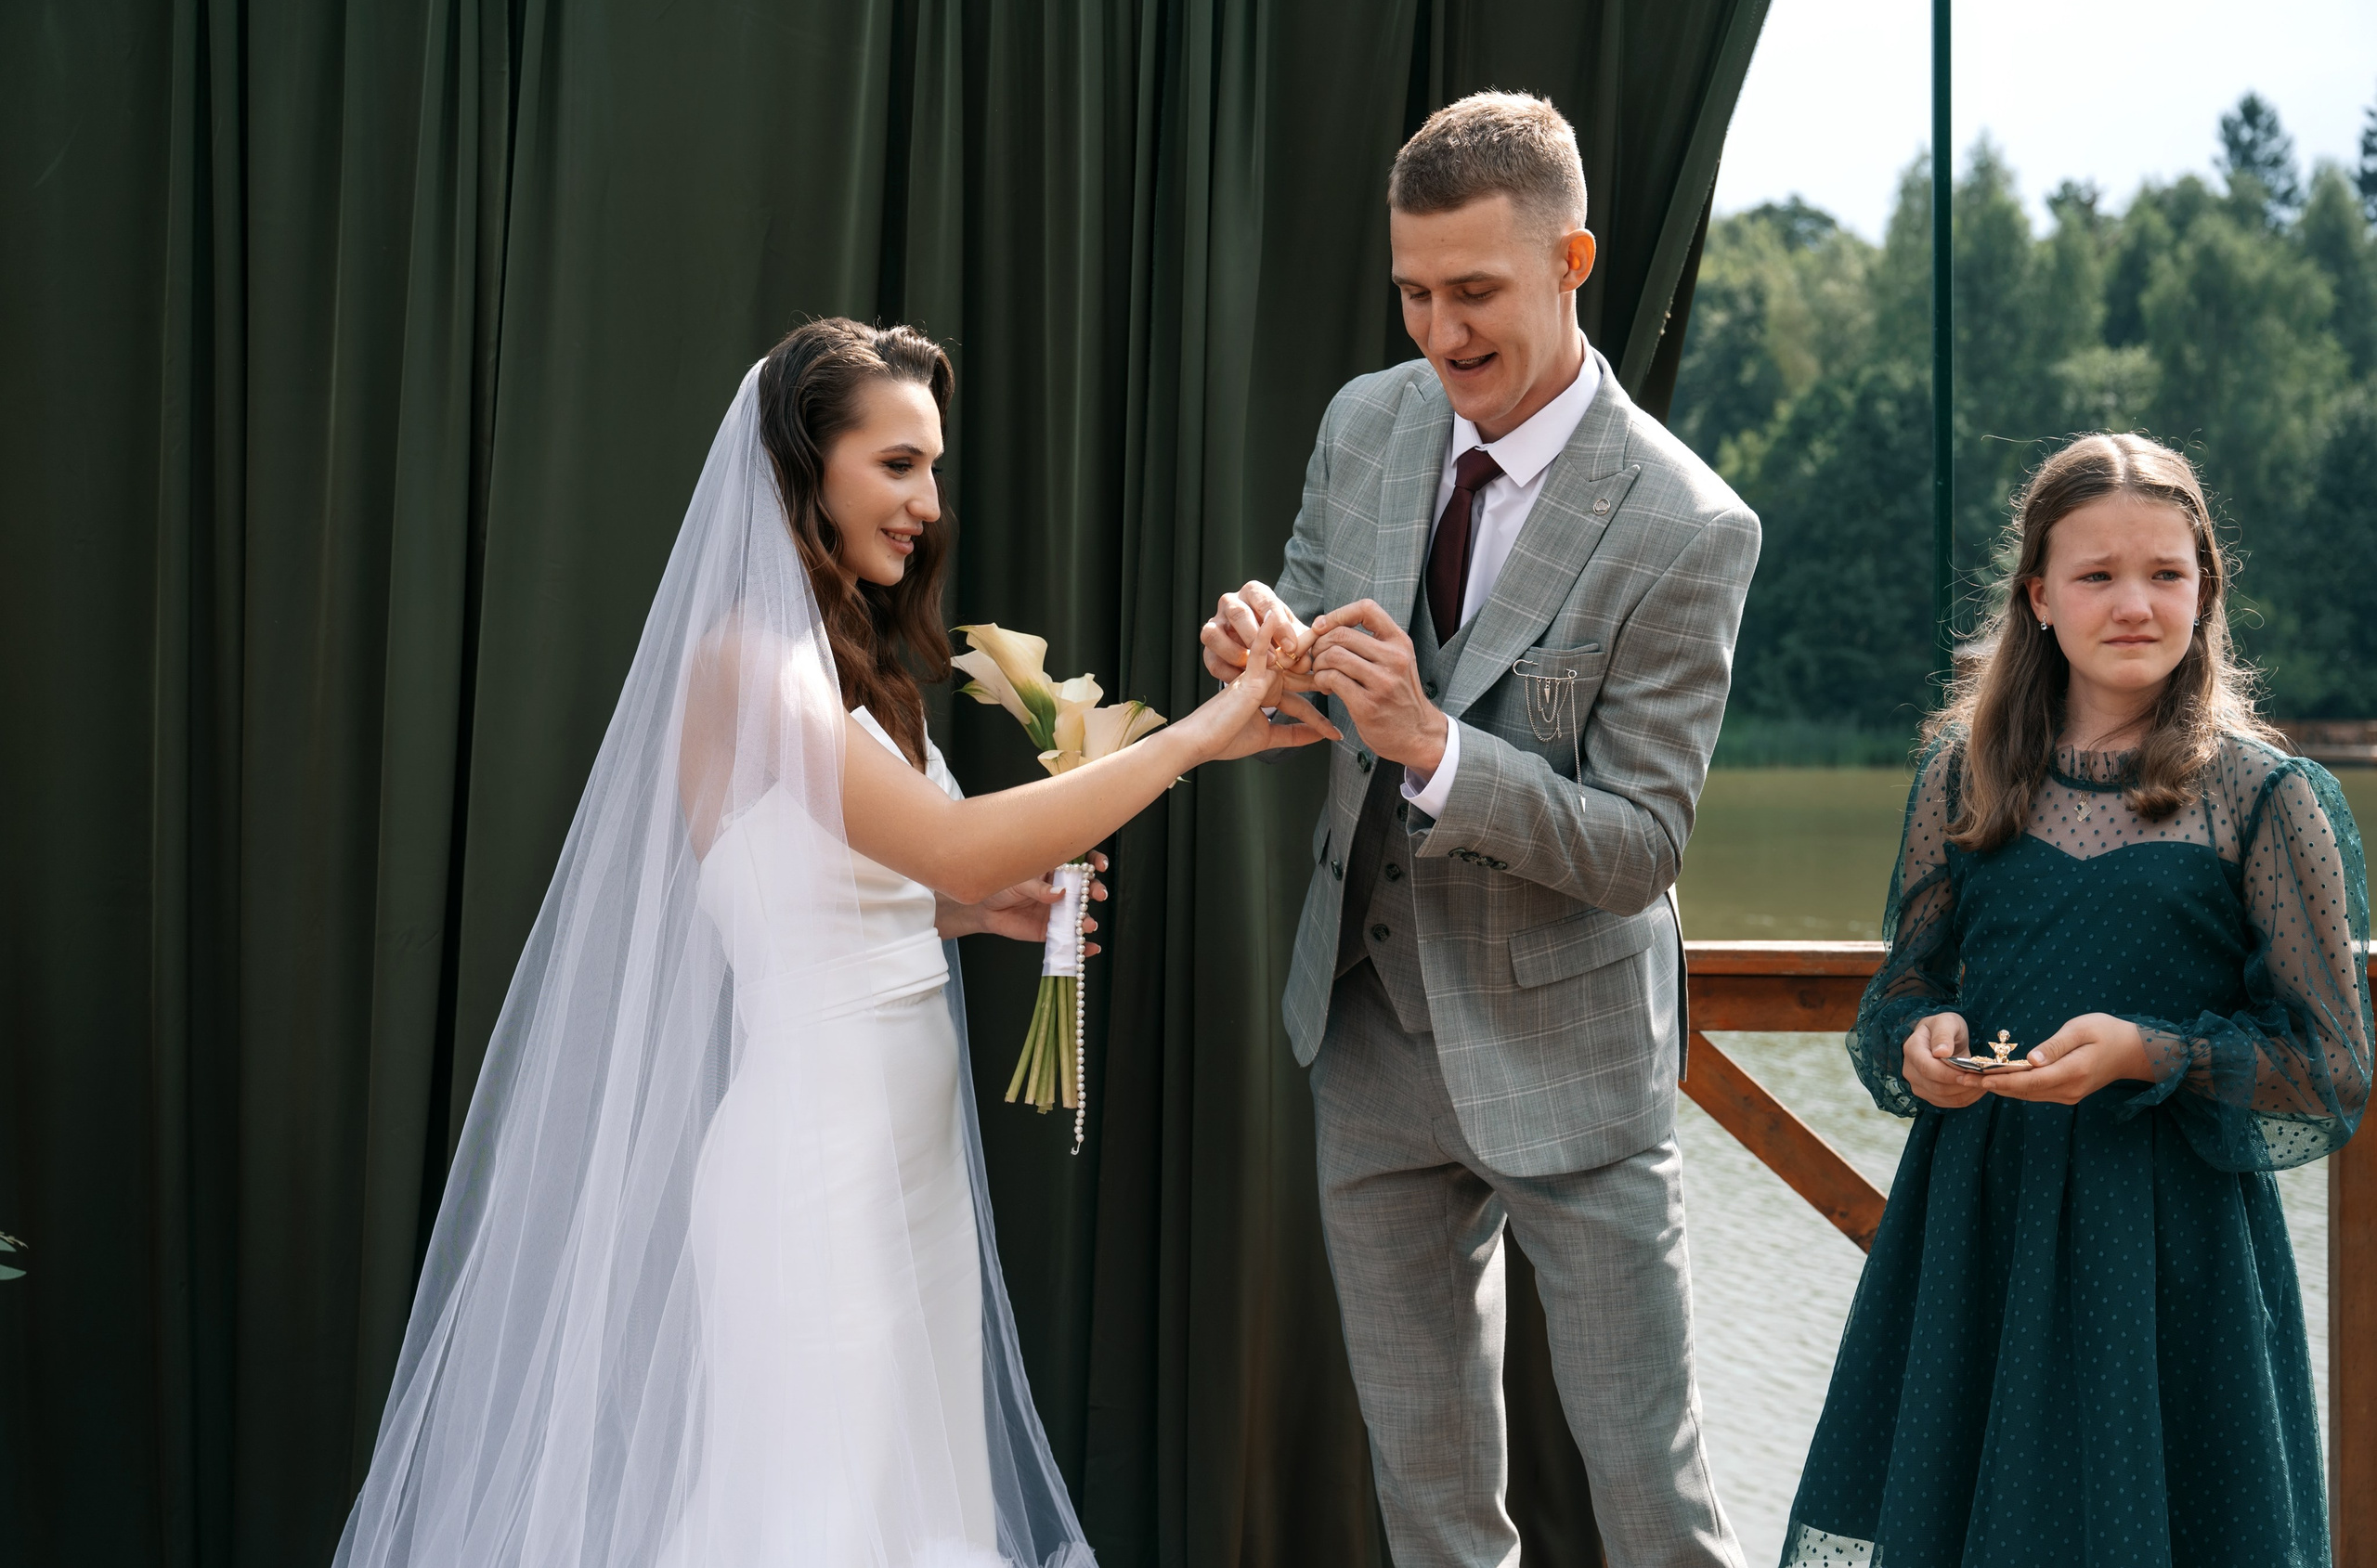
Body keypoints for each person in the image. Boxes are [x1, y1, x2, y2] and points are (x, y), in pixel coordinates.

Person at [334, 318, 1328, 1568]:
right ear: (808, 468)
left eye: (933, 468)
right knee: (822, 1524)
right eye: (898, 464)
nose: (929, 501)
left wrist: (980, 911)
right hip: (811, 1174)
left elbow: (888, 882)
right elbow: (949, 845)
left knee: (913, 1515)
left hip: (906, 1170)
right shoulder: (750, 664)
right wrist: (1188, 737)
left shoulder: (862, 673)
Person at [1203, 92, 1759, 1567]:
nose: (1439, 332)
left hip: (1572, 1065)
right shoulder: (1366, 422)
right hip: (1369, 1029)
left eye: (1474, 292)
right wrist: (1269, 645)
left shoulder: (1689, 525)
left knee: (1652, 1497)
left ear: (1572, 259)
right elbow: (1315, 610)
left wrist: (1435, 744)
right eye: (1413, 290)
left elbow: (1639, 843)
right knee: (1431, 1502)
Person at [1781, 433, 2371, 1567]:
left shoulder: (2262, 796)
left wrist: (2147, 1051)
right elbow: (1903, 986)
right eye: (2097, 574)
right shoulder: (1965, 772)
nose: (2135, 603)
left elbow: (2329, 1062)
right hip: (1979, 1219)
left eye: (2165, 572)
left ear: (2206, 587)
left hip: (2172, 1241)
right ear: (2037, 595)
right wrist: (1923, 1038)